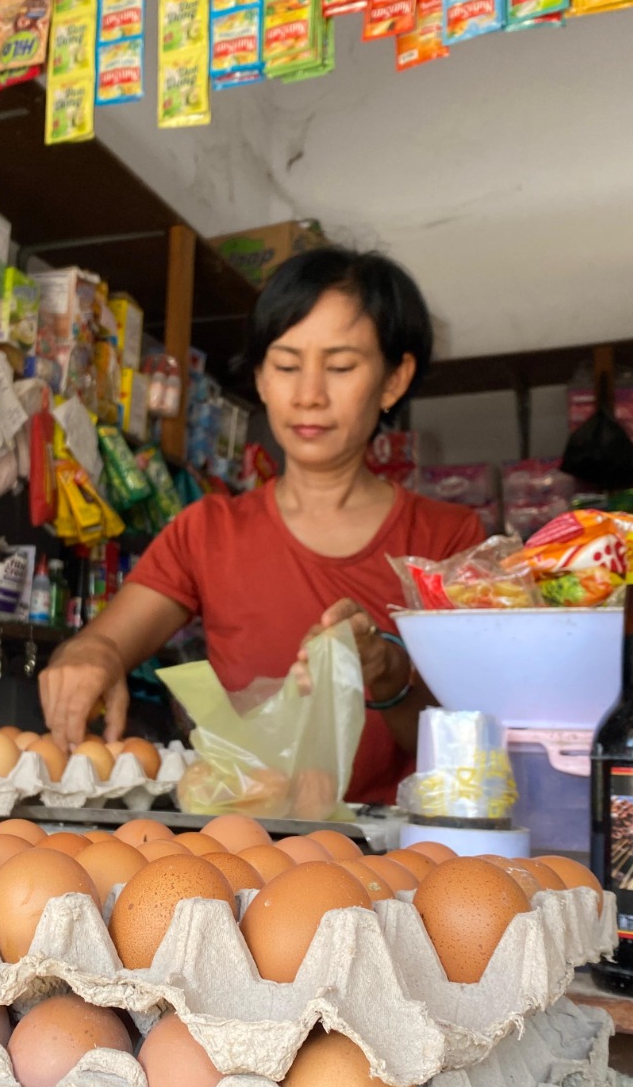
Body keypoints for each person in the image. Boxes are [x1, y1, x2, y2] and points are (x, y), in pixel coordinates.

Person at [40, 247, 483, 804]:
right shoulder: (209, 530)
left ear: (394, 380)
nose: (309, 395)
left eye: (341, 367)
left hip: (393, 862)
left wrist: (387, 675)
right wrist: (90, 658)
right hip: (243, 845)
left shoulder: (450, 541)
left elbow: (471, 755)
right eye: (287, 365)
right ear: (261, 379)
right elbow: (104, 641)